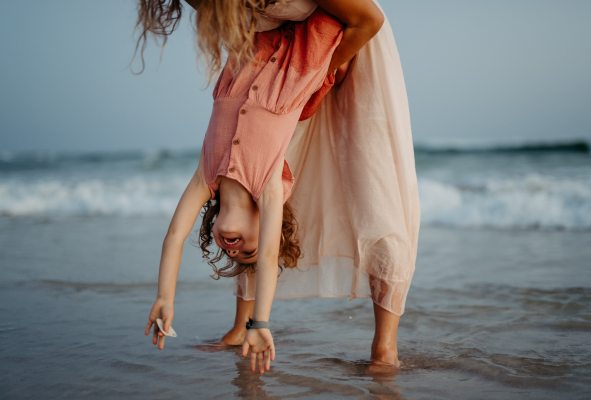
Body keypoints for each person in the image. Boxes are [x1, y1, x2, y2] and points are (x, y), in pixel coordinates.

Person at [137, 0, 420, 374]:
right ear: (266, 227)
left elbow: (174, 236)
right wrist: (261, 323)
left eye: (235, 256)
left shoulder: (206, 179)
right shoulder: (269, 183)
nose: (237, 253)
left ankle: (240, 326)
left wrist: (164, 297)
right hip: (301, 65)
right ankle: (245, 327)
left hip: (252, 48)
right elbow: (269, 258)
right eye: (248, 252)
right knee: (326, 20)